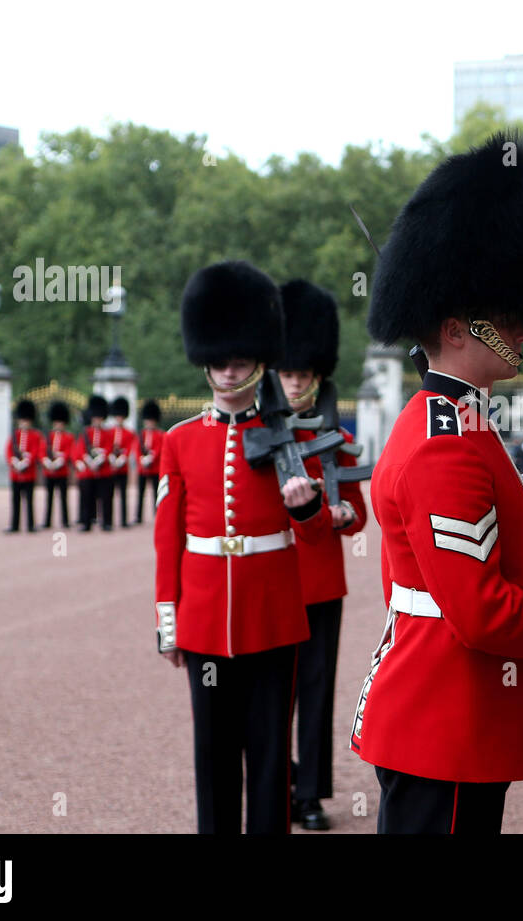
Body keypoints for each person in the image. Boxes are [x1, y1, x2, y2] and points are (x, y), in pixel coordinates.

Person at [350, 132, 523, 835]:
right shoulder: (446, 445)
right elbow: (478, 612)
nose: (522, 331)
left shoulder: (466, 425)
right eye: (505, 320)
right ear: (454, 328)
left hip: (457, 710)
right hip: (441, 716)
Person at [155, 259, 329, 835]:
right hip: (204, 619)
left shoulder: (292, 437)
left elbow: (317, 533)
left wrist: (306, 507)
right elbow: (168, 538)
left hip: (273, 618)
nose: (227, 373)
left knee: (271, 756)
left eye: (238, 362)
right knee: (213, 755)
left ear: (259, 360)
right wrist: (168, 620)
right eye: (218, 362)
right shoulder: (179, 441)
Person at [275, 278, 370, 832]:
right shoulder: (258, 437)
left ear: (317, 378)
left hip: (321, 584)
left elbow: (358, 508)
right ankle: (277, 781)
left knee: (314, 693)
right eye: (287, 374)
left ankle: (309, 794)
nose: (294, 384)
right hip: (272, 578)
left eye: (302, 376)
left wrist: (342, 517)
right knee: (272, 696)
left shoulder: (340, 439)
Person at [72, 396, 112, 532]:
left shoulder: (107, 433)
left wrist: (99, 459)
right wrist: (89, 461)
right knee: (87, 498)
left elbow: (109, 448)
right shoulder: (86, 433)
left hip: (103, 470)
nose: (97, 420)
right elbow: (80, 450)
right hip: (88, 471)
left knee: (106, 498)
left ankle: (106, 522)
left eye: (99, 418)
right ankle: (86, 522)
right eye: (95, 418)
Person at [5, 399, 45, 533]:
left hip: (29, 473)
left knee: (29, 500)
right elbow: (9, 450)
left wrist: (26, 461)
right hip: (15, 473)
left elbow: (36, 450)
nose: (24, 423)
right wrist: (14, 462)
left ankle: (30, 524)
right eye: (22, 420)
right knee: (15, 501)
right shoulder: (14, 435)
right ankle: (14, 525)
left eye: (26, 421)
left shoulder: (35, 435)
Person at [40, 401, 74, 529]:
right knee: (49, 498)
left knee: (64, 498)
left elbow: (69, 452)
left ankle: (65, 521)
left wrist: (60, 461)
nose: (58, 424)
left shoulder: (68, 437)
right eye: (56, 422)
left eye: (60, 422)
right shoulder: (48, 437)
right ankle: (47, 521)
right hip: (49, 471)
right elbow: (42, 451)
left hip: (62, 471)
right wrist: (47, 462)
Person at [107, 396, 135, 528]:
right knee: (109, 495)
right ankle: (110, 520)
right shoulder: (110, 432)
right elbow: (107, 447)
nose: (119, 418)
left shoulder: (129, 433)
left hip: (123, 468)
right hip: (111, 467)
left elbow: (129, 448)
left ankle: (123, 520)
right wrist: (112, 458)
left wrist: (122, 458)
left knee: (123, 495)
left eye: (121, 416)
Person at [135, 400, 164, 525]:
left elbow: (159, 448)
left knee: (155, 493)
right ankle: (138, 516)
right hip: (142, 468)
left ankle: (157, 514)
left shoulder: (160, 434)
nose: (149, 423)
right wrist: (141, 459)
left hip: (155, 468)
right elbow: (136, 449)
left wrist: (152, 457)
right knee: (140, 493)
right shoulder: (141, 434)